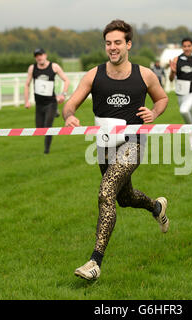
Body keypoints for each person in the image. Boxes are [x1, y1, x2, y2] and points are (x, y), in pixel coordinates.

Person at [63, 20, 169, 280]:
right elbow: (71, 104)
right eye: (108, 43)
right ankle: (156, 207)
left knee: (105, 193)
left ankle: (94, 262)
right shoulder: (94, 75)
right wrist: (69, 116)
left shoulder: (144, 74)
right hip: (105, 147)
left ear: (128, 44)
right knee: (124, 197)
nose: (112, 47)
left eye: (118, 42)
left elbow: (162, 98)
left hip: (133, 144)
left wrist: (153, 112)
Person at [24, 48, 70, 154]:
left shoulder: (54, 66)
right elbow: (27, 84)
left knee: (48, 128)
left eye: (40, 55)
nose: (39, 57)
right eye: (36, 56)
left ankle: (46, 151)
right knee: (39, 129)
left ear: (45, 55)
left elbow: (66, 80)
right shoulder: (32, 68)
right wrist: (26, 101)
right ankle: (54, 114)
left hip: (51, 102)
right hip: (39, 104)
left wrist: (63, 94)